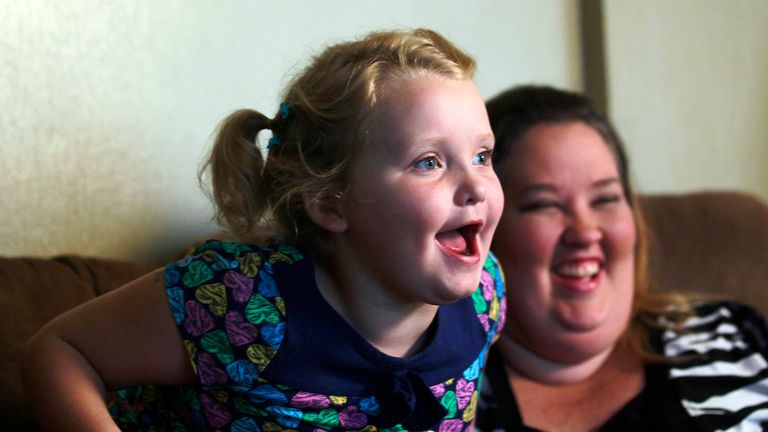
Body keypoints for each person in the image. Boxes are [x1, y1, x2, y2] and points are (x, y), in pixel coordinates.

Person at [22, 28, 506, 432]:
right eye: (429, 162)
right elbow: (58, 352)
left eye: (482, 156)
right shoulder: (240, 301)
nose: (476, 186)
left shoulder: (485, 296)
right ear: (329, 202)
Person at [475, 85, 768, 431]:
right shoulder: (436, 398)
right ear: (485, 229)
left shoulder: (733, 336)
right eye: (544, 204)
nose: (585, 232)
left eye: (605, 199)